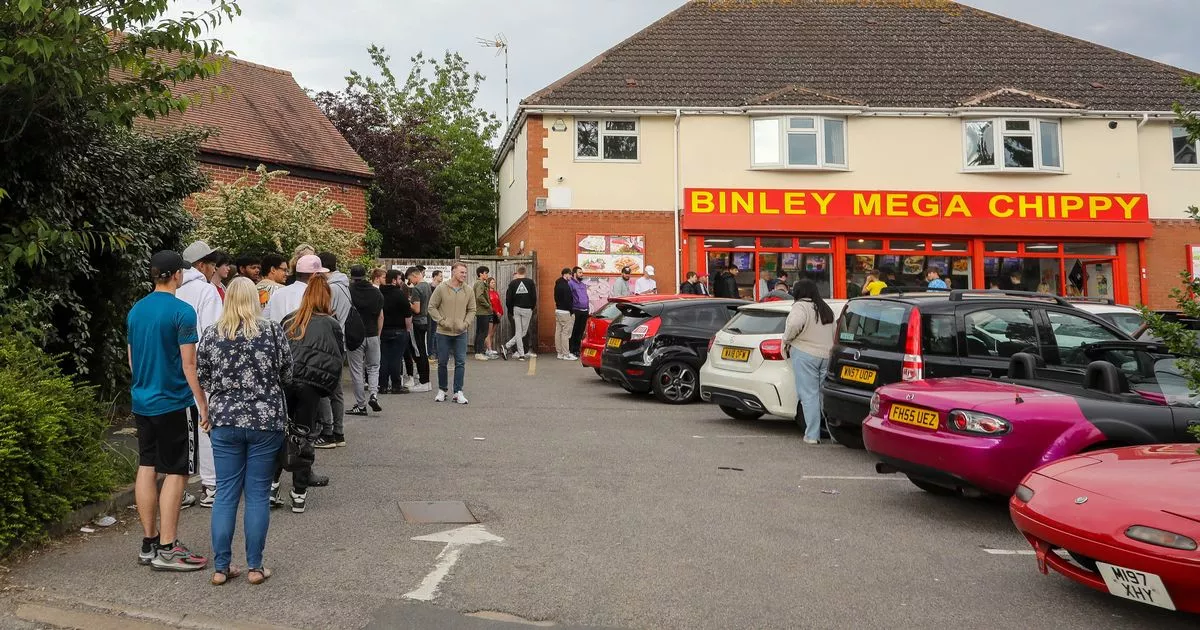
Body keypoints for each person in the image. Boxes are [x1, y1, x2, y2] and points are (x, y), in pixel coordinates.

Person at [196, 277, 290, 586]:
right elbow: (287, 372)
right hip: (265, 421)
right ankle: (255, 567)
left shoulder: (212, 334)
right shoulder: (273, 331)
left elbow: (204, 377)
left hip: (225, 420)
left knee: (225, 494)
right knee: (258, 494)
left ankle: (222, 567)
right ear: (255, 300)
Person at [128, 250, 208, 572]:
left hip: (142, 401)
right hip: (175, 402)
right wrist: (202, 402)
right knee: (177, 471)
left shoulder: (136, 310)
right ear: (177, 275)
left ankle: (150, 543)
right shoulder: (183, 311)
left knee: (147, 465)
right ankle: (168, 548)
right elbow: (190, 364)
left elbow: (132, 361)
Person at [277, 275, 343, 514]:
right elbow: (337, 359)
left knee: (280, 432)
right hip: (311, 387)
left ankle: (273, 486)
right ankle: (299, 493)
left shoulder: (289, 320)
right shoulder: (331, 324)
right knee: (303, 435)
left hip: (285, 383)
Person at [178, 240, 223, 509]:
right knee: (205, 422)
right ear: (202, 265)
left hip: (172, 368)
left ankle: (178, 488)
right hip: (199, 365)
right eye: (212, 265)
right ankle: (211, 485)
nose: (213, 270)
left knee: (179, 428)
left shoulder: (171, 290)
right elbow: (213, 332)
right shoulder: (207, 292)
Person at [782, 279, 836, 445]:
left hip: (805, 354)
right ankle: (834, 434)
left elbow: (794, 324)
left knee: (808, 395)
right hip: (827, 355)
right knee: (823, 396)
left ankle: (812, 435)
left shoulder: (800, 306)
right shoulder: (825, 308)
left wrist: (786, 339)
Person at [315, 252, 351, 449]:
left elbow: (324, 312)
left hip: (327, 343)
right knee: (336, 390)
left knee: (323, 390)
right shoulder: (344, 285)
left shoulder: (329, 288)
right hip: (341, 342)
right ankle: (339, 431)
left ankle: (327, 433)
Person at [428, 262, 475, 404]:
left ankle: (458, 392)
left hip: (461, 332)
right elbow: (432, 307)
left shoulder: (468, 290)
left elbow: (472, 310)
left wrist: (465, 323)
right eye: (461, 272)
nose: (464, 275)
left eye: (465, 273)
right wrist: (442, 321)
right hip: (443, 332)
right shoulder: (441, 288)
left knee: (460, 362)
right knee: (442, 362)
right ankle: (442, 390)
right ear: (453, 272)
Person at [347, 264, 384, 416]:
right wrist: (377, 334)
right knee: (373, 367)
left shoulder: (349, 292)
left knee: (356, 370)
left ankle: (361, 405)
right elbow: (380, 316)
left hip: (354, 335)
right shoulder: (376, 293)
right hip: (372, 333)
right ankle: (374, 395)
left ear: (352, 276)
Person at [379, 269, 413, 395]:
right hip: (398, 329)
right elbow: (407, 314)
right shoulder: (399, 294)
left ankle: (382, 385)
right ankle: (396, 385)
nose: (401, 281)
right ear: (393, 280)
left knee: (383, 358)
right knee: (396, 358)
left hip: (382, 330)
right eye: (399, 279)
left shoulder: (378, 292)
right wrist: (408, 328)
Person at [406, 267, 433, 392]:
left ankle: (424, 381)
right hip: (426, 321)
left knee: (418, 352)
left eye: (410, 279)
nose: (410, 282)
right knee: (423, 351)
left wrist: (407, 302)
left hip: (417, 322)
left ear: (414, 275)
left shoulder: (417, 289)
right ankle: (426, 381)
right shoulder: (427, 286)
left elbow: (416, 309)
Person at [503, 266, 537, 360]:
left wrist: (511, 311)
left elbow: (508, 299)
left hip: (516, 309)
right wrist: (532, 308)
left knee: (519, 332)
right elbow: (534, 297)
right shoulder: (530, 282)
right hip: (527, 309)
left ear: (517, 272)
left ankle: (507, 347)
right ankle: (520, 353)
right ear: (525, 272)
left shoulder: (513, 283)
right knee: (523, 332)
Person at [472, 266, 494, 361]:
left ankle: (478, 352)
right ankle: (479, 352)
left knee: (479, 332)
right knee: (483, 332)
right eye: (485, 273)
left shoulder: (479, 283)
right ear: (480, 274)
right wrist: (488, 306)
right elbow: (479, 296)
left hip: (481, 311)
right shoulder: (480, 283)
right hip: (483, 311)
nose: (487, 275)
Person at [553, 268, 575, 360]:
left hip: (558, 310)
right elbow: (568, 300)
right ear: (566, 274)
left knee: (558, 332)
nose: (571, 276)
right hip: (566, 312)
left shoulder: (557, 284)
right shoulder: (565, 286)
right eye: (570, 275)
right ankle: (566, 354)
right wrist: (571, 311)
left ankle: (559, 353)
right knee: (565, 333)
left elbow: (556, 298)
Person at [568, 266, 589, 358]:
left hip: (585, 310)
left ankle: (577, 349)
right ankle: (572, 350)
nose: (582, 274)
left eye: (582, 272)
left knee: (581, 331)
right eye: (580, 272)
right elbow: (569, 297)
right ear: (575, 274)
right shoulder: (570, 283)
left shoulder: (583, 284)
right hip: (576, 310)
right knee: (574, 331)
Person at [427, 270, 443, 360]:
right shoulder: (429, 287)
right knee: (432, 333)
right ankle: (431, 352)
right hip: (431, 313)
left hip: (440, 313)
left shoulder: (441, 287)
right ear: (435, 276)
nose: (442, 277)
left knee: (438, 333)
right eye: (440, 276)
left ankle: (438, 353)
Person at [487, 277, 503, 358]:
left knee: (492, 334)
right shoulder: (487, 293)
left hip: (497, 315)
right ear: (488, 283)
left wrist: (500, 312)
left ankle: (489, 349)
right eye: (492, 282)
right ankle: (489, 350)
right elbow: (489, 305)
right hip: (491, 314)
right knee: (489, 334)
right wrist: (495, 312)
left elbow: (499, 303)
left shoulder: (496, 293)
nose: (493, 283)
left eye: (494, 282)